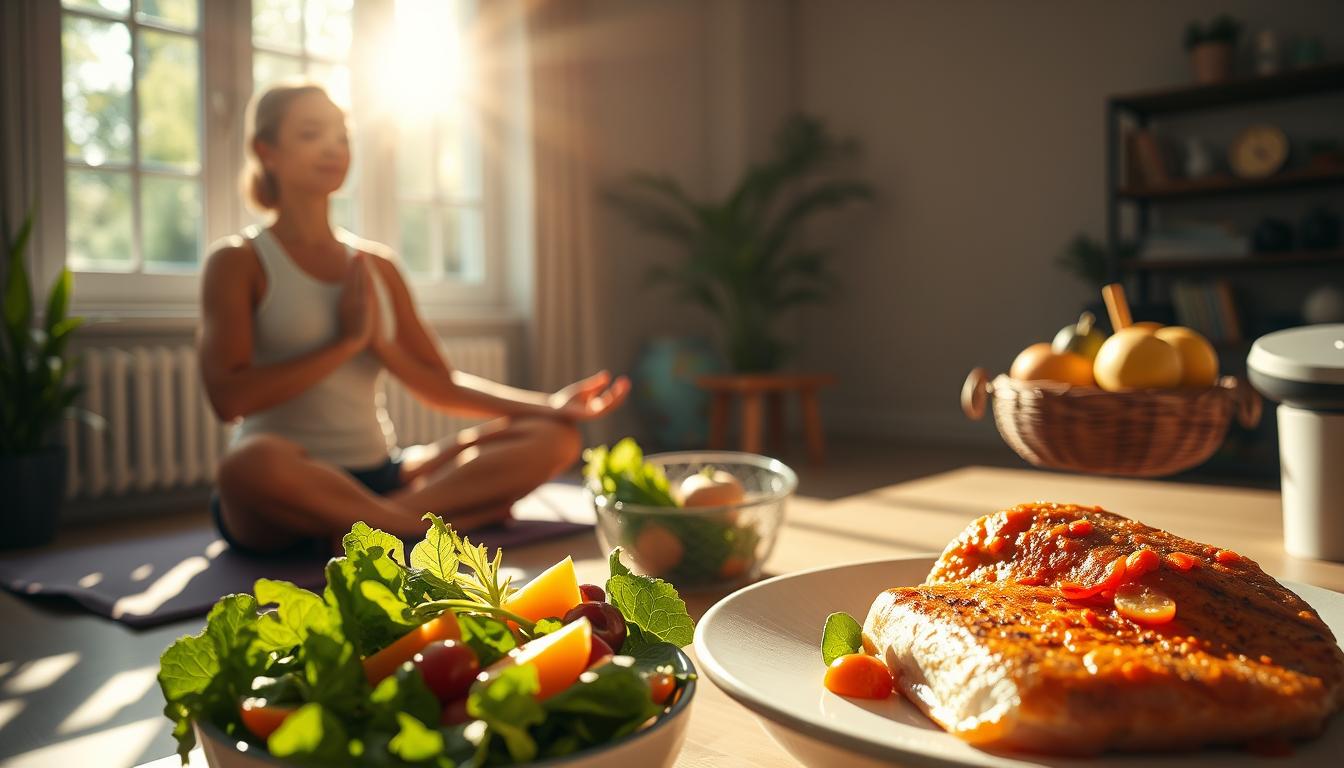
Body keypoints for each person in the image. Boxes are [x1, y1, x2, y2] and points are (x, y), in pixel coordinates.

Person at [199, 82, 627, 555]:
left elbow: (439, 384)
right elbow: (228, 398)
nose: (333, 148)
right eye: (310, 134)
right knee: (245, 466)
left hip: (383, 475)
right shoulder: (238, 261)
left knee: (555, 438)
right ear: (267, 151)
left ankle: (379, 526)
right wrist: (343, 345)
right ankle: (419, 525)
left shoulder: (376, 265)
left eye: (342, 137)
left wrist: (550, 405)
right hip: (286, 481)